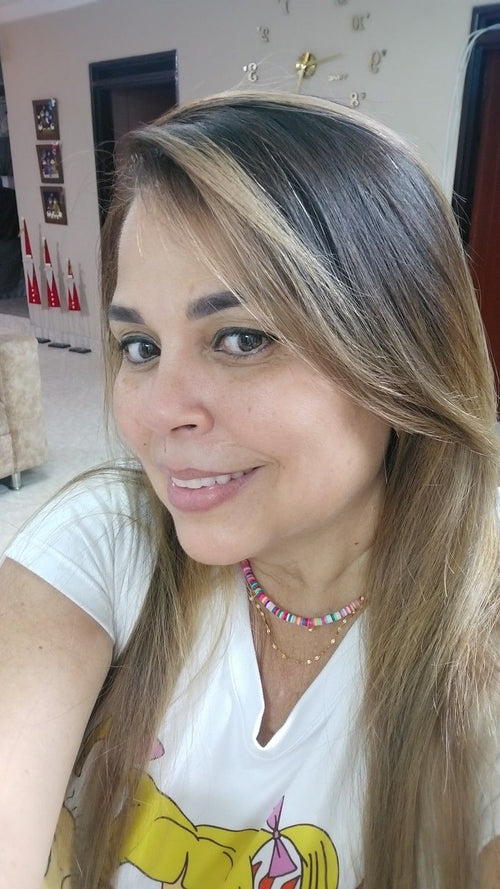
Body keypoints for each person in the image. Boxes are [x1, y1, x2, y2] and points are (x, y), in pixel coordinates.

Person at [0, 91, 498, 889]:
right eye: (140, 346)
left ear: (401, 356)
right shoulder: (107, 538)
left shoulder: (478, 651)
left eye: (241, 338)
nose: (159, 413)